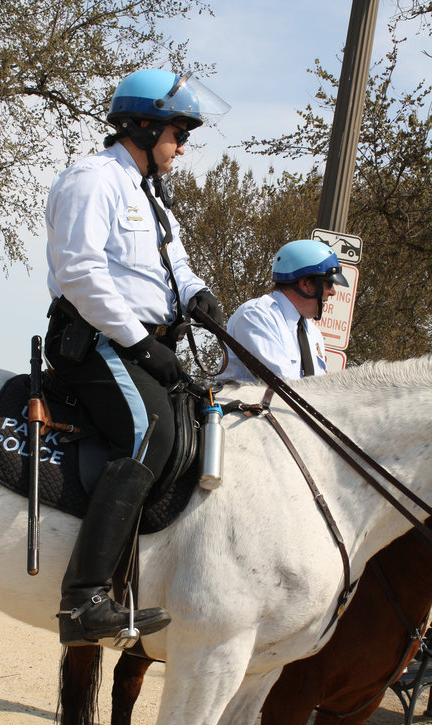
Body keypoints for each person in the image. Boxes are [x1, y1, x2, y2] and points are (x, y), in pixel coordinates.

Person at [44, 69, 230, 646]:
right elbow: (79, 271)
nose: (183, 146)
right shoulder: (92, 179)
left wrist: (199, 294)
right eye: (179, 133)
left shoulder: (152, 197)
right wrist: (140, 343)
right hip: (96, 339)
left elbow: (170, 268)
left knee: (196, 421)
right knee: (150, 431)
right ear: (144, 127)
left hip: (138, 342)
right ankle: (85, 599)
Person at [219, 239, 349, 382]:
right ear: (305, 283)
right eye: (328, 284)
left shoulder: (313, 333)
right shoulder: (256, 316)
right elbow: (285, 389)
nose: (333, 292)